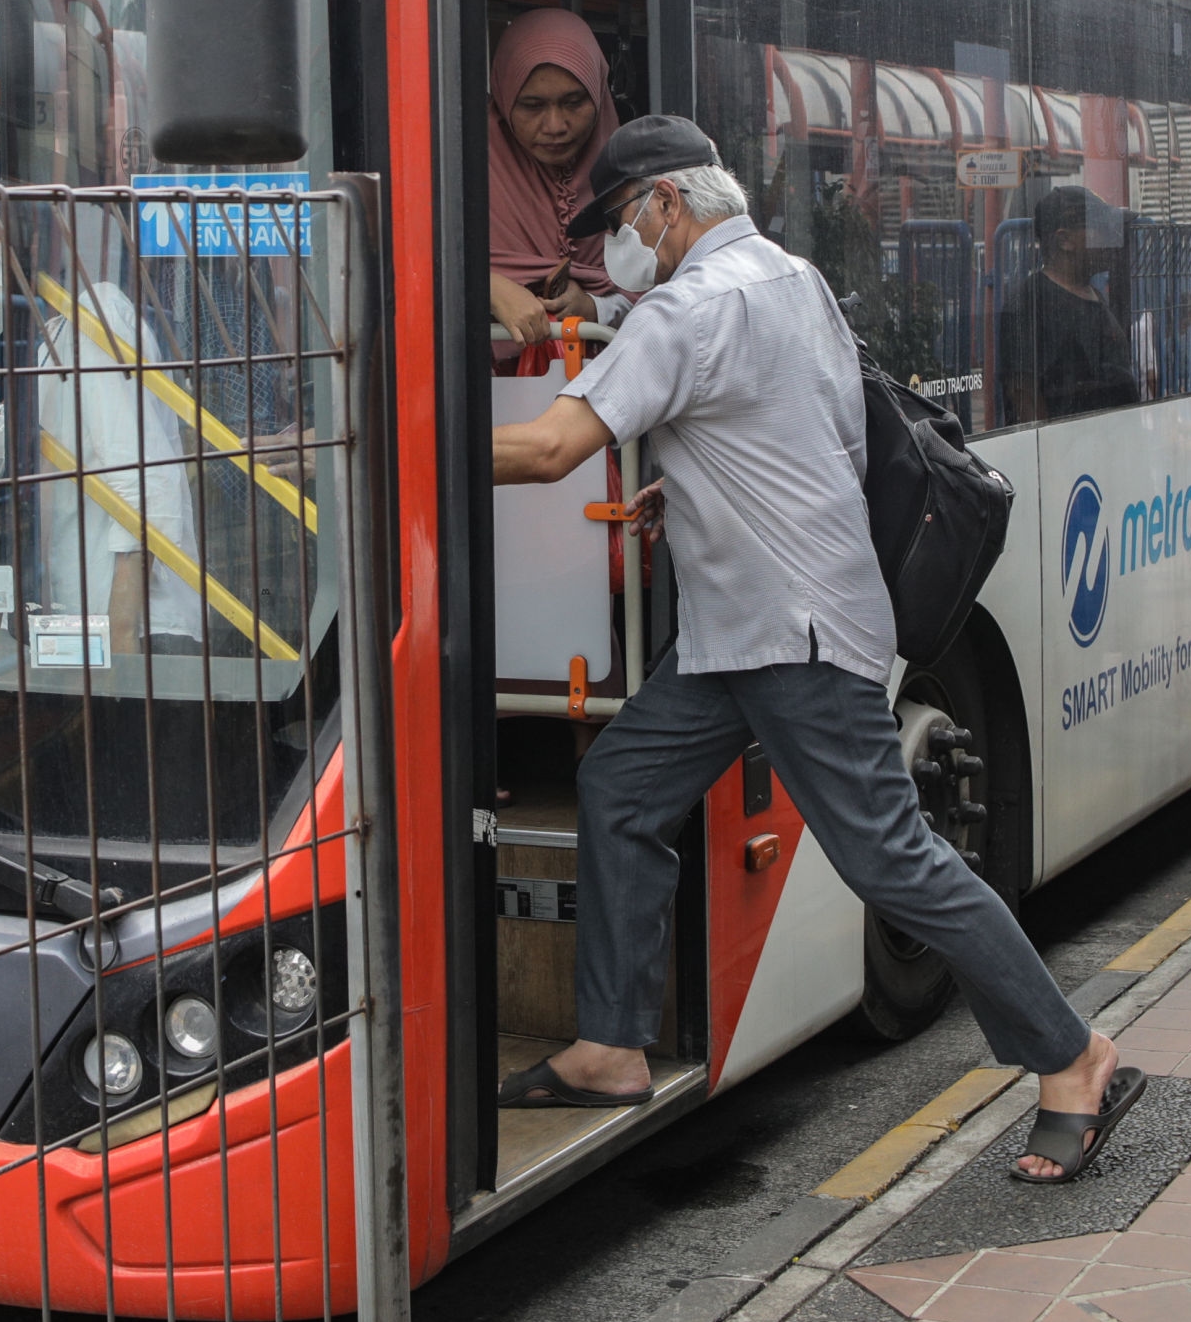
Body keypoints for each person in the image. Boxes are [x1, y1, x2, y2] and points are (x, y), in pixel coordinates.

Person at [489, 114, 1143, 1185]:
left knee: (890, 855)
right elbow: (824, 438)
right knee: (621, 788)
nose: (611, 247)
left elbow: (554, 445)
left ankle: (1073, 1055)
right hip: (746, 629)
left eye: (615, 221)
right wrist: (694, 487)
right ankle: (610, 1046)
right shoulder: (791, 276)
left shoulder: (687, 307)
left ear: (665, 203)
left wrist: (403, 444)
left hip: (788, 633)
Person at [487, 8, 622, 348]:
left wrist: (595, 308)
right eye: (532, 106)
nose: (555, 126)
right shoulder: (457, 174)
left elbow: (666, 296)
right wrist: (487, 287)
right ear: (504, 98)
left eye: (574, 102)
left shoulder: (631, 178)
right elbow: (408, 271)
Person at [998, 184, 1137, 424]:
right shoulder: (1029, 304)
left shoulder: (1093, 294)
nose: (1110, 239)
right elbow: (1024, 396)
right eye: (1100, 229)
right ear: (1064, 240)